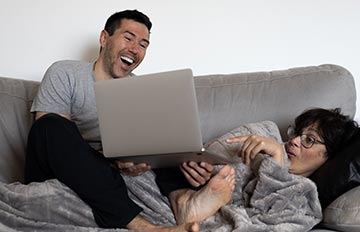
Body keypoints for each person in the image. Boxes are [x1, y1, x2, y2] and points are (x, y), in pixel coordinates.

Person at [24, 9, 235, 231]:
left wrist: (188, 160)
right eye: (128, 38)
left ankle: (184, 202)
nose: (135, 49)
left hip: (110, 171)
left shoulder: (142, 90)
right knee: (50, 126)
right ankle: (145, 227)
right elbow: (50, 140)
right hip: (61, 169)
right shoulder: (65, 73)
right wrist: (115, 161)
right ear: (104, 38)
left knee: (165, 137)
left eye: (143, 45)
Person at [226, 108, 359, 177]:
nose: (293, 141)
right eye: (296, 133)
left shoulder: (306, 198)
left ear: (329, 155)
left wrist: (277, 158)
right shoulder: (266, 149)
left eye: (309, 140)